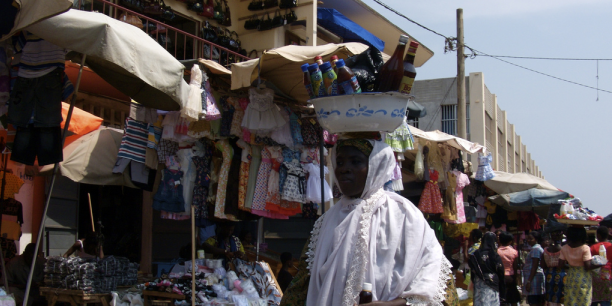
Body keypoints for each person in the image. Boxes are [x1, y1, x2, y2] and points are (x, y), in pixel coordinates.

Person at [285, 139, 450, 306]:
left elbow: (433, 275)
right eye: (340, 162)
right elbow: (303, 283)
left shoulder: (403, 215)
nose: (343, 169)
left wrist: (391, 305)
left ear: (377, 165)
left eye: (355, 162)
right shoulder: (327, 221)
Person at [559, 227, 602, 306]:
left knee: (571, 300)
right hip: (583, 277)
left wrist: (571, 266)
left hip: (571, 276)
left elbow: (561, 264)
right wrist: (600, 264)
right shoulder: (585, 248)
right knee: (583, 300)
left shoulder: (564, 248)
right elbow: (587, 266)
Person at [468, 232, 506, 305]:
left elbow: (472, 268)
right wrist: (502, 289)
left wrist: (474, 280)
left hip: (478, 281)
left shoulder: (476, 254)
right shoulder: (494, 255)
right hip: (492, 282)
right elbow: (500, 271)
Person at [541, 229, 566, 306]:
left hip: (549, 275)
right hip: (562, 274)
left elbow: (542, 265)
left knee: (550, 296)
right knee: (561, 296)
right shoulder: (564, 249)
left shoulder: (545, 250)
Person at [589, 226, 612, 306]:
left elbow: (589, 262)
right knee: (606, 300)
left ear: (598, 235)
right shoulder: (611, 246)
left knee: (594, 300)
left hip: (595, 277)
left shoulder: (593, 247)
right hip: (608, 276)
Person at [497, 231, 521, 306]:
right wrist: (516, 279)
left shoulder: (496, 252)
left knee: (501, 299)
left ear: (499, 240)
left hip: (499, 277)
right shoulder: (514, 252)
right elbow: (515, 267)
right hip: (510, 277)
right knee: (513, 299)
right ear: (510, 241)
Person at [523, 231, 546, 306]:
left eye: (531, 239)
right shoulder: (536, 248)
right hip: (535, 278)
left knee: (534, 301)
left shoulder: (535, 249)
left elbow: (534, 266)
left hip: (534, 279)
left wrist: (529, 281)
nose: (528, 240)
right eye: (527, 239)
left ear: (536, 239)